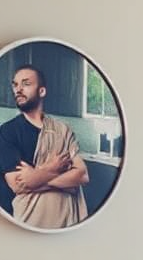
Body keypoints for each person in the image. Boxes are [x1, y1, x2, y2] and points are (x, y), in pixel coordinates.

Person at [0, 64, 89, 228]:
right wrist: (54, 169)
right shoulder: (7, 132)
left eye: (26, 84)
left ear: (42, 91)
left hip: (68, 221)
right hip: (30, 220)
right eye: (15, 84)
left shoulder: (63, 130)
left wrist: (36, 176)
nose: (18, 89)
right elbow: (18, 184)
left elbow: (82, 176)